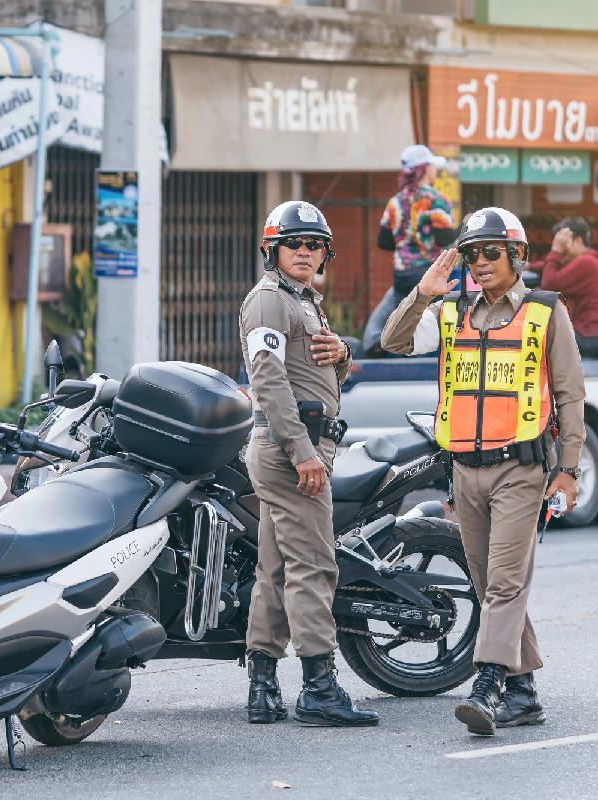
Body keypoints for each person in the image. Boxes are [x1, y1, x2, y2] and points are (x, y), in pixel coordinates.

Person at [379, 206, 586, 736]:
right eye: (472, 254)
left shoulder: (544, 311)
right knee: (489, 581)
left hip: (521, 467)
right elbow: (393, 341)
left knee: (506, 582)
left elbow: (570, 394)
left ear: (518, 256)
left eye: (493, 252)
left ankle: (488, 685)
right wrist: (423, 292)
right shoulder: (451, 312)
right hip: (465, 470)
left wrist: (568, 470)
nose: (481, 262)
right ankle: (523, 692)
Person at [239, 200, 379, 728]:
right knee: (315, 567)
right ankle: (320, 687)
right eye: (294, 243)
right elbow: (269, 380)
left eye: (314, 244)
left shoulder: (304, 300)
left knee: (274, 571)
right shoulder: (269, 300)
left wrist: (342, 352)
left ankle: (262, 684)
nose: (305, 251)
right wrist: (303, 453)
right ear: (273, 251)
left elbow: (319, 365)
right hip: (290, 448)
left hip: (294, 446)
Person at [361, 144, 456, 355]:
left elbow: (384, 241)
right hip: (429, 272)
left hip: (401, 275)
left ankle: (385, 350)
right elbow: (444, 237)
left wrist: (407, 238)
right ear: (424, 169)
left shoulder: (395, 201)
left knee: (406, 317)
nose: (434, 170)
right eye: (431, 166)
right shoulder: (435, 200)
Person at [528, 217, 598, 359]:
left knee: (534, 340)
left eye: (563, 245)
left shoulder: (587, 262)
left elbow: (549, 284)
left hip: (595, 336)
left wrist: (555, 251)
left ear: (578, 241)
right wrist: (526, 266)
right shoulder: (590, 261)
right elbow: (548, 268)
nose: (561, 252)